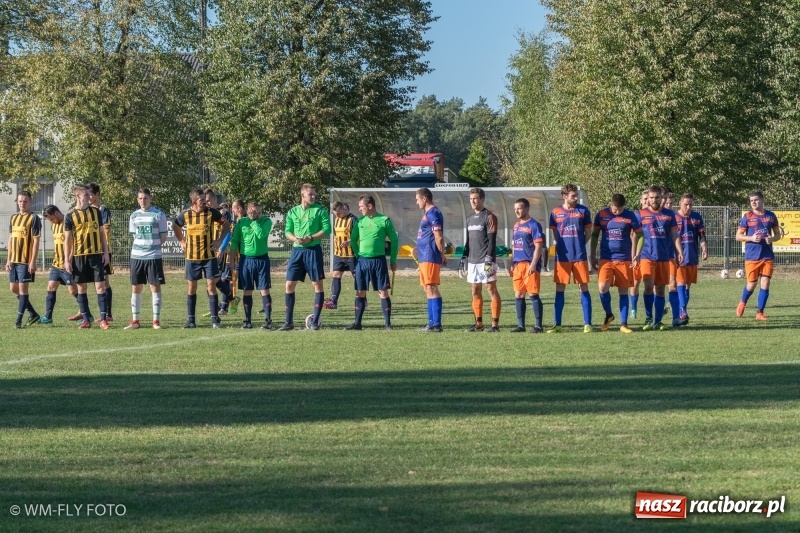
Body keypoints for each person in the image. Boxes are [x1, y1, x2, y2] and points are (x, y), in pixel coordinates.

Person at [172, 187, 230, 328]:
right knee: (192, 287)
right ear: (194, 201)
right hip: (192, 257)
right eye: (202, 200)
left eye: (205, 199)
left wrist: (219, 241)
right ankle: (191, 320)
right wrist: (182, 241)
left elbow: (227, 225)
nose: (205, 202)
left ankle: (215, 320)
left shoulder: (212, 213)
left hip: (209, 257)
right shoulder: (186, 214)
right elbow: (175, 226)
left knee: (211, 287)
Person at [279, 184, 331, 331]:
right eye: (311, 194)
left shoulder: (320, 210)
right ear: (302, 195)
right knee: (289, 285)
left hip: (313, 251)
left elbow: (327, 229)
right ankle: (288, 322)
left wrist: (310, 237)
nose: (313, 197)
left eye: (314, 194)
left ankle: (315, 322)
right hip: (297, 252)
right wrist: (295, 239)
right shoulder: (292, 211)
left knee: (317, 285)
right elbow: (287, 231)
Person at [590, 193, 641, 334]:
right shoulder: (601, 215)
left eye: (619, 209)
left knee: (623, 290)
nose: (616, 211)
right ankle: (609, 314)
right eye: (614, 208)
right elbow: (594, 235)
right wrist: (592, 254)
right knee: (602, 287)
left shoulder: (630, 216)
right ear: (610, 204)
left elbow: (640, 235)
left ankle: (624, 324)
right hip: (606, 258)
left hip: (624, 259)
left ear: (623, 206)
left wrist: (637, 254)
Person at [346, 194, 398, 330]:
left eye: (361, 206)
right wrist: (358, 256)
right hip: (362, 262)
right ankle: (357, 323)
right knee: (360, 291)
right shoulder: (360, 221)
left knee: (383, 291)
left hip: (378, 261)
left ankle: (387, 324)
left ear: (369, 206)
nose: (359, 210)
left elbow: (394, 240)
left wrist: (393, 260)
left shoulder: (384, 220)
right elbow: (353, 240)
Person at [634, 185, 682, 331]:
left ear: (662, 198)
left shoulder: (669, 215)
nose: (654, 200)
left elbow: (674, 235)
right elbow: (635, 236)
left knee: (660, 289)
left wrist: (679, 251)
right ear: (647, 199)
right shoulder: (640, 214)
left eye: (657, 197)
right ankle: (648, 318)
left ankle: (658, 321)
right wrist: (634, 254)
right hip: (646, 256)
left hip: (664, 257)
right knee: (648, 286)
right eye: (651, 198)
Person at [64, 184, 111, 329]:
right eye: (85, 194)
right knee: (81, 289)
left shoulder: (96, 212)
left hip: (96, 255)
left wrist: (106, 252)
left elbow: (102, 233)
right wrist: (67, 259)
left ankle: (103, 319)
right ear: (78, 196)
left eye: (89, 194)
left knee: (100, 287)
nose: (89, 196)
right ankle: (86, 320)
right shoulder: (70, 215)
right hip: (79, 256)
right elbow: (68, 239)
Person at [548, 183, 593, 333]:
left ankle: (587, 324)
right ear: (565, 196)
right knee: (560, 288)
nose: (576, 198)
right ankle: (557, 324)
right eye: (573, 196)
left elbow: (588, 232)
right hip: (563, 257)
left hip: (579, 255)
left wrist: (579, 244)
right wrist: (560, 244)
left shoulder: (583, 211)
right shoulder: (555, 213)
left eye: (576, 195)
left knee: (584, 287)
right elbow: (555, 233)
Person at [125, 188, 169, 330]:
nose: (143, 201)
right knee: (136, 287)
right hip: (137, 256)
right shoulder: (134, 216)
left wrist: (152, 246)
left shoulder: (159, 215)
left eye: (145, 198)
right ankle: (135, 320)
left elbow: (163, 236)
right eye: (140, 198)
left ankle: (156, 321)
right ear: (137, 200)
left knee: (154, 286)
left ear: (151, 199)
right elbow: (134, 235)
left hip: (153, 256)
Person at [460, 187, 502, 332]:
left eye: (475, 198)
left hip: (486, 260)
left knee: (491, 289)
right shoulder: (469, 219)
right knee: (475, 290)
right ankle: (479, 323)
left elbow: (492, 241)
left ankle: (495, 324)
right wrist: (463, 258)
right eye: (471, 198)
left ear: (482, 199)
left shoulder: (489, 216)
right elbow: (468, 241)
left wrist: (489, 260)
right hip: (472, 261)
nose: (473, 201)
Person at [735, 190, 781, 320]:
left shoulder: (771, 216)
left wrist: (771, 239)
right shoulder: (747, 217)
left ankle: (759, 312)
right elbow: (738, 236)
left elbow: (778, 235)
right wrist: (750, 238)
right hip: (752, 256)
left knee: (765, 283)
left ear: (762, 200)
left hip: (767, 256)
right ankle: (743, 302)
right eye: (751, 201)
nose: (753, 202)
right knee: (751, 284)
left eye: (756, 200)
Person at [229, 201, 273, 329]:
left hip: (262, 260)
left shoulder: (266, 221)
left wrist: (254, 221)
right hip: (246, 260)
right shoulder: (241, 223)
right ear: (247, 211)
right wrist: (231, 261)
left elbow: (261, 235)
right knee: (247, 290)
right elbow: (235, 242)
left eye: (258, 212)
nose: (256, 214)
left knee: (264, 290)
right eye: (253, 211)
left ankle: (268, 320)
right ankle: (247, 321)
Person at [508, 198, 545, 333]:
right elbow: (514, 245)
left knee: (533, 294)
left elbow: (539, 246)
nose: (516, 211)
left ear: (527, 209)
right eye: (515, 209)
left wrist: (534, 264)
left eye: (519, 208)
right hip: (518, 265)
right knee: (518, 294)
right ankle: (520, 325)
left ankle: (538, 326)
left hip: (529, 264)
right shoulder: (516, 225)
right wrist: (512, 262)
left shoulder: (534, 225)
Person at [6, 190, 42, 328]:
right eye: (20, 201)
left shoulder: (34, 219)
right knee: (13, 288)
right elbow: (10, 239)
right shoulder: (13, 218)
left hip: (25, 261)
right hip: (14, 260)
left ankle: (18, 321)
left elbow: (36, 241)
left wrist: (33, 261)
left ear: (30, 202)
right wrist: (8, 259)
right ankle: (33, 313)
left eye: (25, 201)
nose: (22, 204)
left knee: (22, 290)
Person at [39, 205, 79, 324]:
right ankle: (48, 317)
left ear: (56, 213)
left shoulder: (68, 222)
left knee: (72, 290)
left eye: (51, 219)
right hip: (57, 263)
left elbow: (75, 243)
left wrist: (70, 259)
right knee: (51, 286)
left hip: (68, 263)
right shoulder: (54, 226)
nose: (51, 221)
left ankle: (86, 314)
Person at [415, 188, 446, 332]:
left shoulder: (433, 213)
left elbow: (438, 236)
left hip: (430, 255)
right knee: (427, 288)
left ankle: (437, 324)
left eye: (417, 199)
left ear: (425, 198)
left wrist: (442, 254)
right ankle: (431, 323)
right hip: (423, 256)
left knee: (432, 288)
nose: (417, 202)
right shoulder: (428, 213)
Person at [673, 193, 707, 326]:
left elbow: (702, 235)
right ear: (680, 203)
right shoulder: (674, 218)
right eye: (686, 204)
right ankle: (682, 311)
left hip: (692, 257)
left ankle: (683, 309)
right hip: (679, 258)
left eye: (690, 204)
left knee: (688, 286)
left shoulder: (696, 217)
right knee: (680, 283)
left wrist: (704, 249)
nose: (688, 207)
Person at [205, 188, 238, 316]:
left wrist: (222, 249)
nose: (206, 203)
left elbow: (228, 232)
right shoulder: (205, 213)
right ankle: (220, 305)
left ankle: (221, 306)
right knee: (213, 280)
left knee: (214, 280)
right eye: (204, 201)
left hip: (218, 251)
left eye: (208, 200)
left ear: (214, 199)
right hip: (207, 252)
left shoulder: (223, 212)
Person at [324, 201, 358, 310]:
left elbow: (359, 236)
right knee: (336, 276)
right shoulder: (337, 220)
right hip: (339, 254)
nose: (337, 215)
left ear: (344, 208)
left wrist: (349, 241)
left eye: (338, 213)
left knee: (357, 277)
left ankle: (362, 299)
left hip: (352, 254)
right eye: (335, 214)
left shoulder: (353, 219)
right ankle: (333, 302)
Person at [88, 183, 115, 321]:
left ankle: (108, 314)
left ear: (97, 194)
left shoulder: (103, 209)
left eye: (91, 194)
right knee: (96, 283)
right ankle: (94, 312)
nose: (89, 197)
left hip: (103, 251)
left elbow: (105, 229)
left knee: (104, 282)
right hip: (92, 251)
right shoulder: (87, 210)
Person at [629, 189, 649, 319]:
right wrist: (634, 256)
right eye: (645, 199)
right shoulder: (637, 215)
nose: (648, 201)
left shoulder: (655, 214)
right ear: (641, 201)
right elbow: (633, 236)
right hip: (638, 255)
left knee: (650, 285)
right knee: (635, 283)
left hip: (650, 255)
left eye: (649, 198)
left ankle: (650, 313)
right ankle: (633, 308)